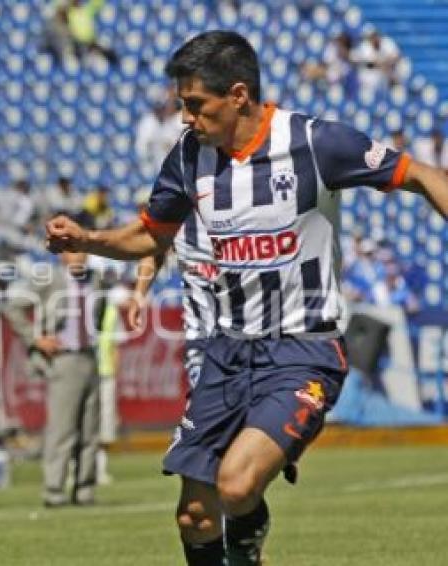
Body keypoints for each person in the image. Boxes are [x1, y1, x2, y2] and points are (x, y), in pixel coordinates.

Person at [45, 30, 448, 565]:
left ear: (238, 95)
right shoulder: (190, 156)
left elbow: (419, 173)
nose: (186, 118)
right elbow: (153, 234)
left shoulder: (313, 143)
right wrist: (89, 240)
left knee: (235, 487)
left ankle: (249, 535)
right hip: (226, 353)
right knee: (194, 515)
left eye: (195, 105)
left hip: (302, 350)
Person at [3, 218, 105, 507]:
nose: (78, 256)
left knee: (90, 430)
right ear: (62, 254)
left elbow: (100, 313)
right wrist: (36, 339)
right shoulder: (49, 279)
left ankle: (85, 490)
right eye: (72, 251)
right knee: (62, 429)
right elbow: (13, 307)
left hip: (89, 356)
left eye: (82, 250)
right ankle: (54, 490)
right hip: (64, 359)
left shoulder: (96, 279)